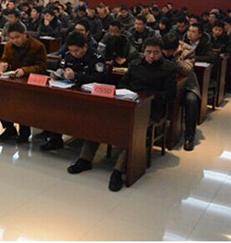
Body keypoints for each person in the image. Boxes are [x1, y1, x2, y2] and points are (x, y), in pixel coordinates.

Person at [68, 37, 176, 192]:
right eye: (148, 52)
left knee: (131, 129)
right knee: (100, 120)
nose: (152, 56)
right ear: (143, 51)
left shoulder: (168, 68)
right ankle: (85, 159)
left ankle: (118, 170)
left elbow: (170, 95)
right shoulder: (135, 64)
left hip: (151, 108)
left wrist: (147, 96)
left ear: (161, 52)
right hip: (129, 102)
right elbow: (123, 83)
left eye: (156, 53)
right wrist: (128, 93)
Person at [43, 32, 106, 150]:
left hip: (89, 95)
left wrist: (76, 76)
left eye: (76, 51)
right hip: (70, 90)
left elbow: (99, 78)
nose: (74, 53)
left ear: (85, 46)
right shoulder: (68, 55)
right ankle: (55, 139)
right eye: (71, 50)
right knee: (53, 105)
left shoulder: (96, 58)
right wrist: (58, 75)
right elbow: (64, 69)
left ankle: (86, 143)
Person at [0, 22, 47, 144]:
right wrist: (3, 65)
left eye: (17, 37)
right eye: (12, 38)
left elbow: (42, 67)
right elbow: (4, 60)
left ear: (25, 34)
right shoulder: (9, 46)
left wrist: (25, 70)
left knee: (22, 103)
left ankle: (24, 131)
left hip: (30, 82)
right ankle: (9, 128)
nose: (15, 40)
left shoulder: (37, 46)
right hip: (13, 80)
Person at [161, 33, 201, 151]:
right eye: (164, 50)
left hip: (187, 86)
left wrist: (176, 57)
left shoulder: (188, 51)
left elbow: (187, 70)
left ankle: (189, 137)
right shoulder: (158, 46)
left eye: (169, 51)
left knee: (191, 100)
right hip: (163, 84)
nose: (166, 53)